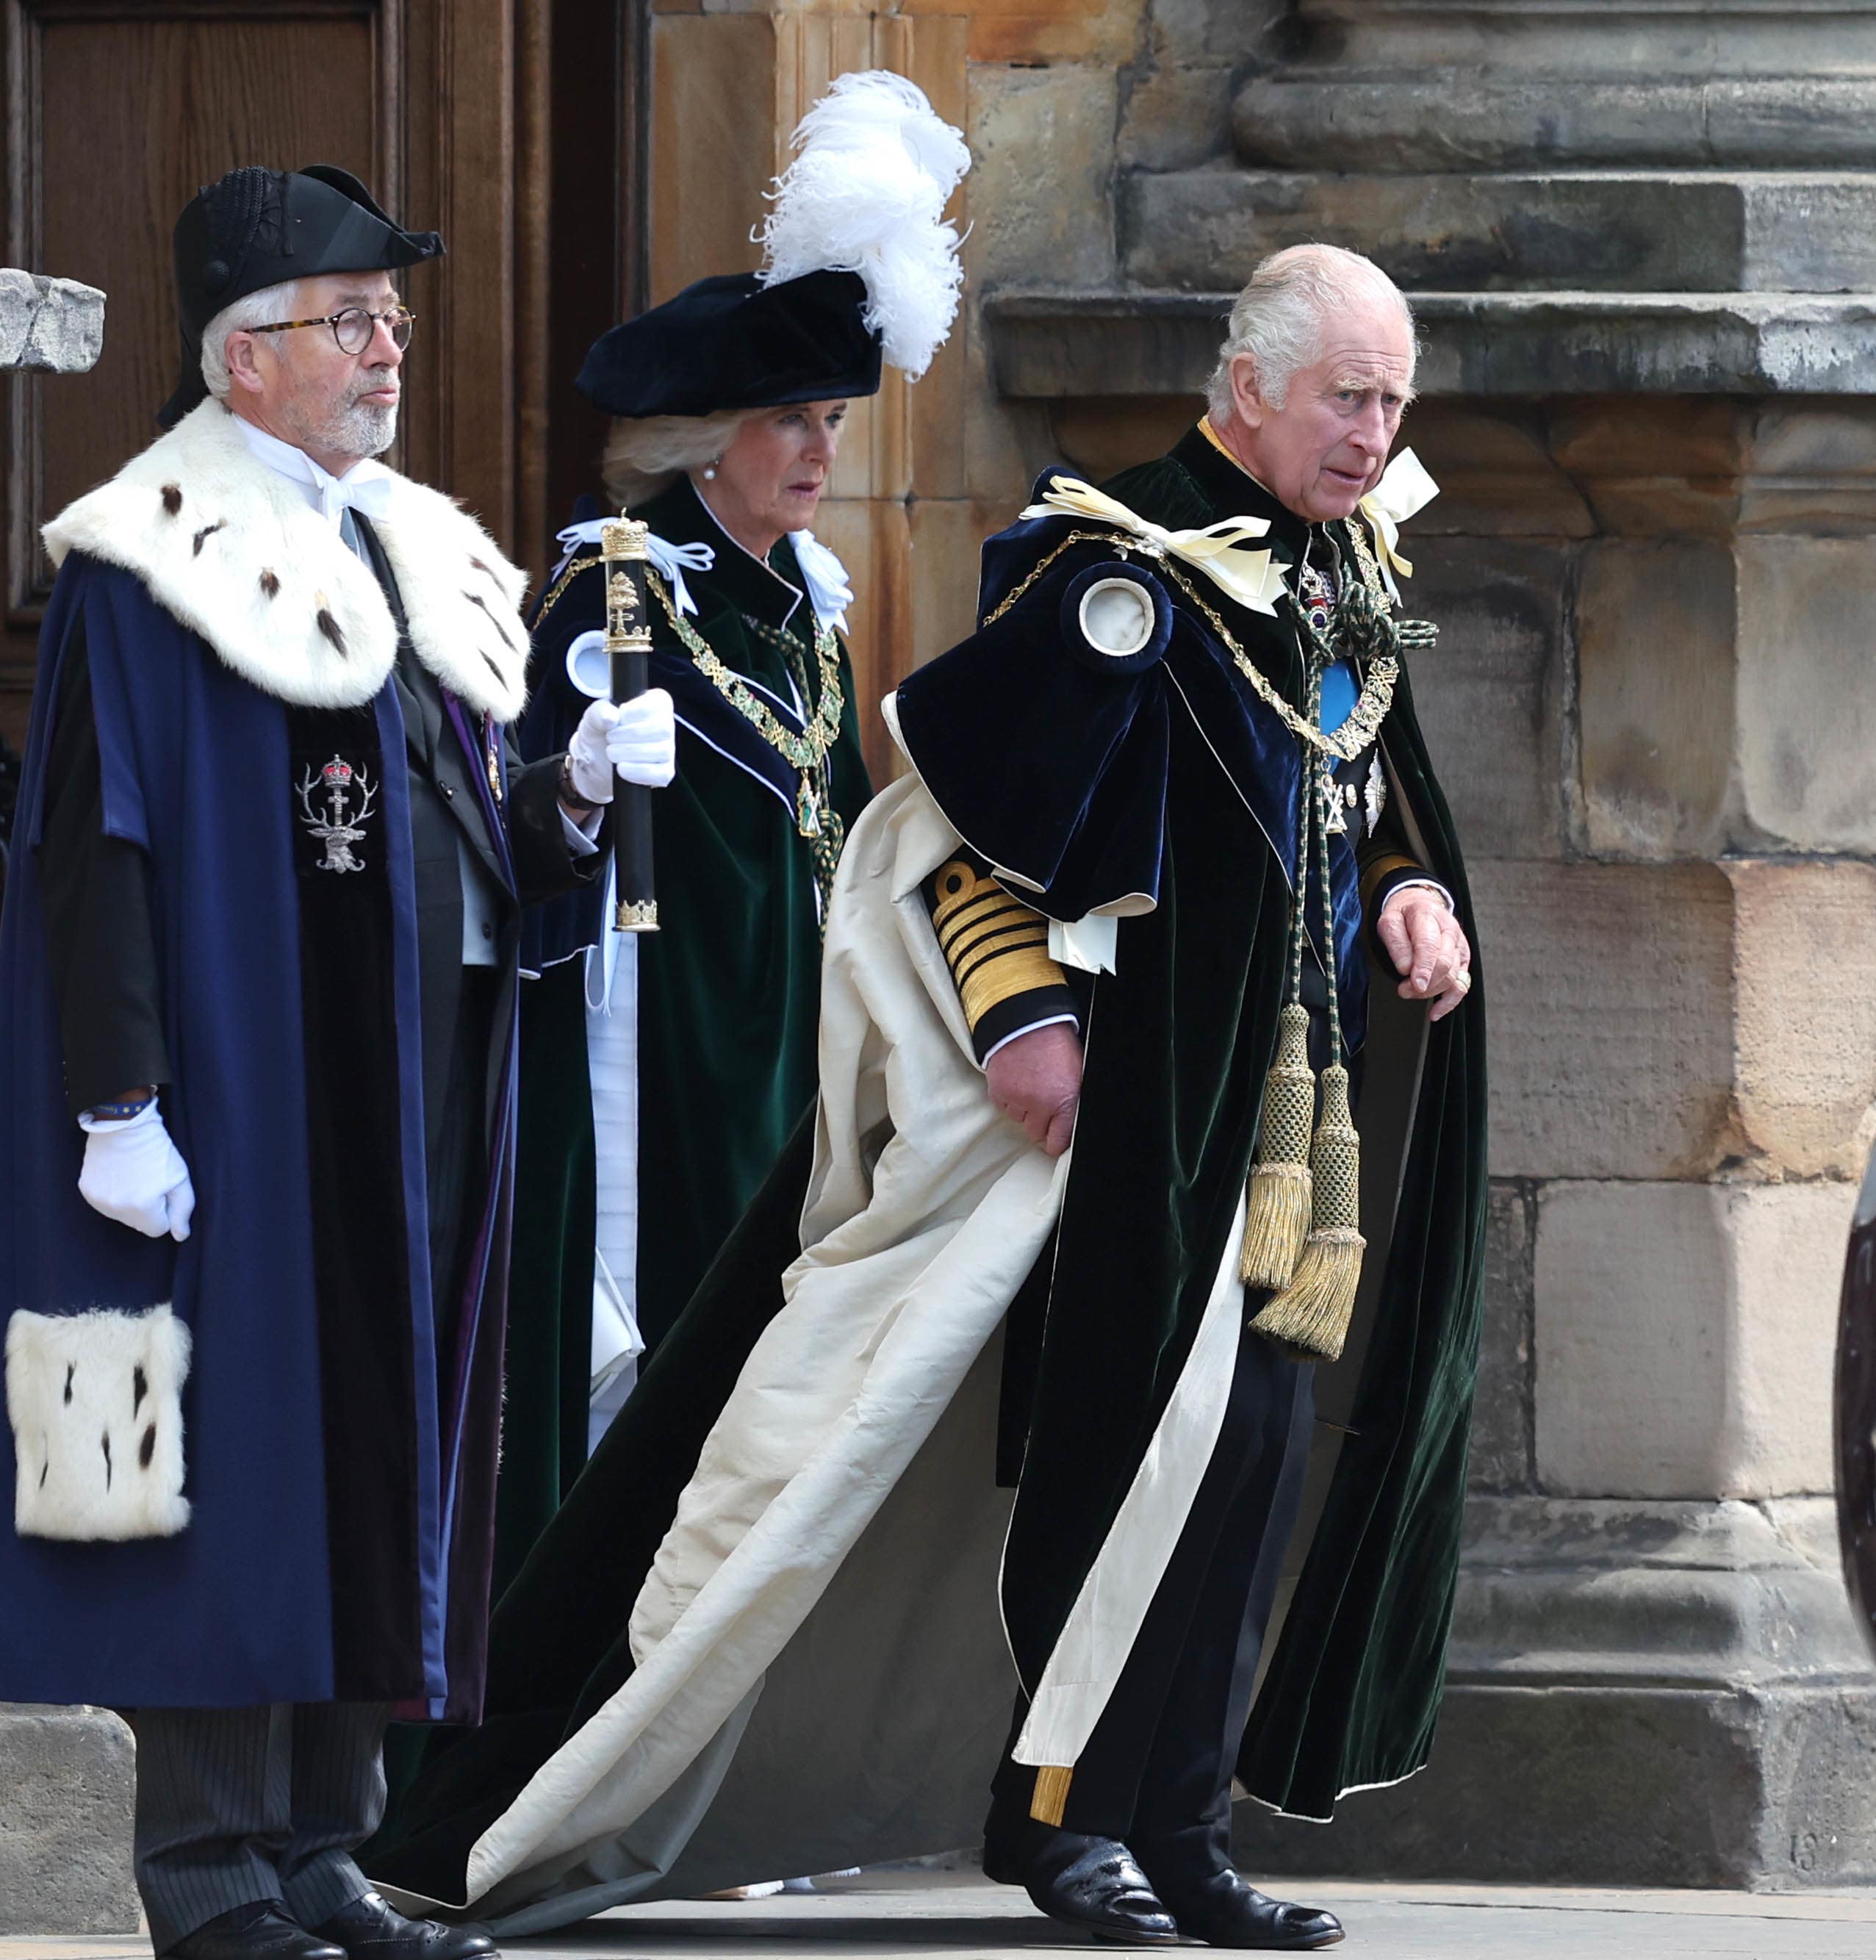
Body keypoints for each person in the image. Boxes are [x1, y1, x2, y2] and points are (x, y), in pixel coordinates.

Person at [364, 240, 1485, 1954]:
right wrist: (1022, 1015)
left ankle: (1182, 1825)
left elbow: (1361, 779)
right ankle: (1056, 1819)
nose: (1373, 429)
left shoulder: (1341, 568)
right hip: (1126, 1119)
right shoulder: (1114, 564)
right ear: (1249, 387)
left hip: (1280, 1113)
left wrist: (1408, 888)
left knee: (1252, 1466)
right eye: (1348, 394)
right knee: (1124, 1464)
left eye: (1393, 398)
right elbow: (958, 821)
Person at [0, 163, 675, 1960]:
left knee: (380, 1438)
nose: (388, 348)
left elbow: (454, 822)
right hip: (244, 1089)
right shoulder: (146, 554)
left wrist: (564, 791)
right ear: (244, 358)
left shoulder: (400, 543)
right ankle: (207, 1872)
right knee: (229, 1460)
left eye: (392, 319)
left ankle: (327, 1842)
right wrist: (116, 1099)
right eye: (354, 320)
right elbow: (99, 840)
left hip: (409, 1082)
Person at [490, 70, 952, 1571]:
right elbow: (526, 852)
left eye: (826, 420)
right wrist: (572, 785)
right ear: (702, 438)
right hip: (661, 1053)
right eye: (785, 423)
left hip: (787, 1055)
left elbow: (843, 824)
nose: (817, 452)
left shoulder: (803, 611)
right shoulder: (614, 599)